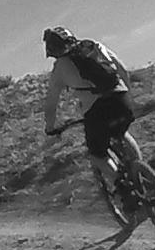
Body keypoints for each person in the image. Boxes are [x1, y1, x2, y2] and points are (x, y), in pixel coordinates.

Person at [40, 26, 141, 195]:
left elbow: (51, 104)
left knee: (97, 155)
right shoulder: (95, 46)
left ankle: (124, 189)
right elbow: (122, 69)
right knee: (121, 131)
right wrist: (128, 93)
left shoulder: (60, 68)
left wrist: (50, 127)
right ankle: (141, 174)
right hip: (121, 100)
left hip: (96, 112)